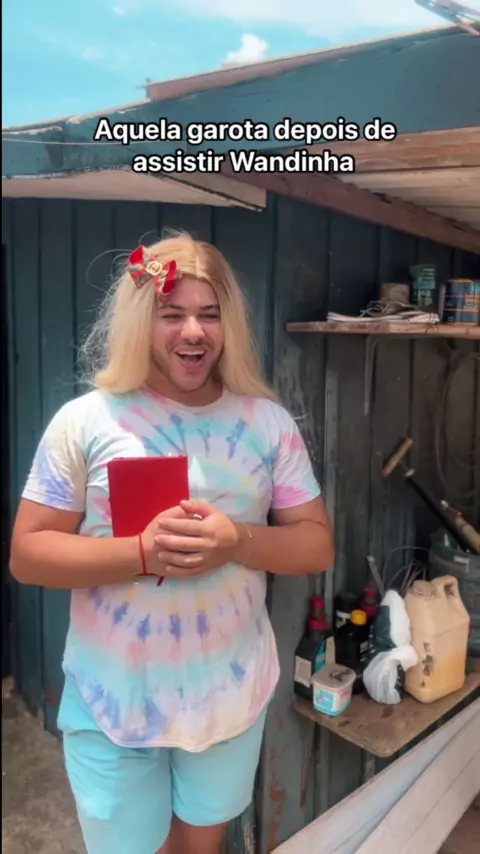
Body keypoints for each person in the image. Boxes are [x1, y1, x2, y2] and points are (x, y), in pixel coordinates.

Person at [10, 232, 334, 854]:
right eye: (172, 314)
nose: (193, 331)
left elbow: (316, 545)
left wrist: (237, 542)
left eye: (209, 314)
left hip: (227, 697)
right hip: (114, 700)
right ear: (141, 321)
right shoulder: (87, 422)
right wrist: (140, 553)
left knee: (196, 848)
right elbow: (27, 555)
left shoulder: (267, 424)